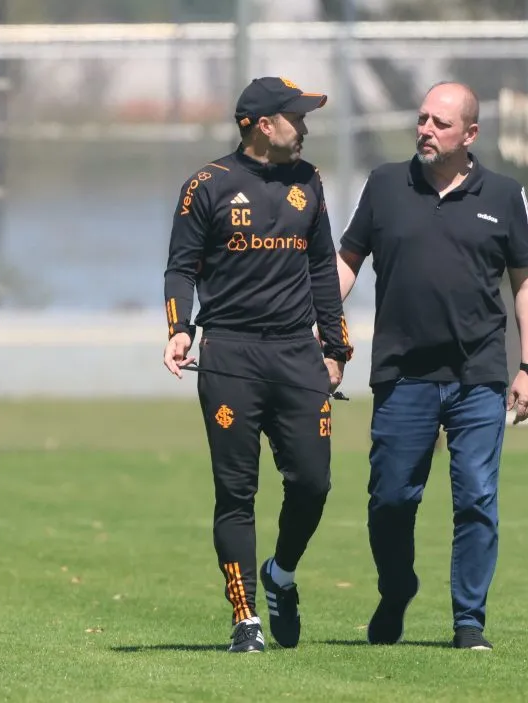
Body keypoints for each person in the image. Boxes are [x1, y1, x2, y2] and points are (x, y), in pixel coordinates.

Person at [336, 81, 528, 651]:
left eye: (440, 123)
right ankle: (397, 587)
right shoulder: (384, 185)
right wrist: (324, 331)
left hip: (480, 376)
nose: (426, 128)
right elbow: (346, 263)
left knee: (477, 497)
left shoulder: (503, 194)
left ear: (470, 135)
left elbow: (525, 283)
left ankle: (469, 621)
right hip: (403, 375)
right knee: (391, 498)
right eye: (422, 118)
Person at [162, 76, 353, 653]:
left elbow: (323, 268)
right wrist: (179, 328)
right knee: (236, 493)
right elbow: (180, 268)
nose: (306, 126)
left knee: (314, 484)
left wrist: (335, 347)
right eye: (297, 117)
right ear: (263, 125)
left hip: (298, 355)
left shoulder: (310, 180)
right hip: (231, 357)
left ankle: (281, 572)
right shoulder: (207, 186)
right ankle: (246, 620)